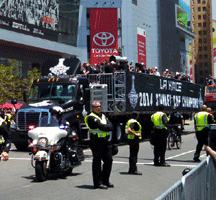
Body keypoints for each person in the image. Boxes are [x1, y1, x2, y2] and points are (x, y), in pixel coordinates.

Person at [85, 101, 114, 189]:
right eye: (96, 106)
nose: (99, 108)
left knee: (109, 160)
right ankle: (97, 182)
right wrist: (107, 127)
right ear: (93, 107)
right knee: (97, 162)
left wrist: (107, 127)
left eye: (100, 106)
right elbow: (101, 126)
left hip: (105, 141)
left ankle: (105, 180)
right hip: (96, 141)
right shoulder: (91, 117)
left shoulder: (103, 116)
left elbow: (111, 126)